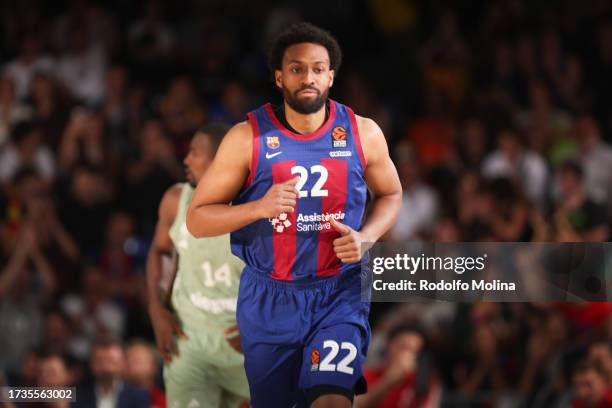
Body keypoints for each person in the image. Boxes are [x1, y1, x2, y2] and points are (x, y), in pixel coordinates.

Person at [187, 22, 402, 408]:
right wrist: (258, 208)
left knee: (332, 401)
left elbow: (391, 194)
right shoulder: (246, 138)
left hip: (339, 291)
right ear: (279, 76)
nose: (308, 77)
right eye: (297, 68)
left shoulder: (363, 132)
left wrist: (367, 236)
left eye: (318, 68)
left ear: (331, 77)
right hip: (269, 297)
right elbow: (197, 219)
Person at [146, 125, 249, 407]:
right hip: (191, 342)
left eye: (195, 152)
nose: (186, 159)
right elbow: (159, 252)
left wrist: (267, 324)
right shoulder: (175, 200)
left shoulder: (258, 210)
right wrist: (156, 309)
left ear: (221, 162)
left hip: (247, 349)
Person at [73, 338, 149, 408]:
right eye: (100, 361)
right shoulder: (76, 393)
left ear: (122, 363)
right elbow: (61, 393)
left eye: (111, 361)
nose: (106, 368)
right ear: (91, 363)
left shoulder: (139, 395)